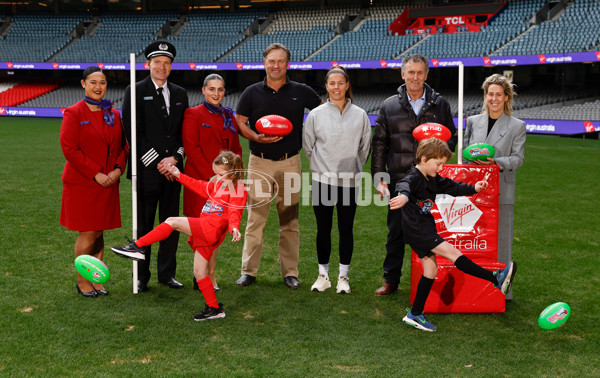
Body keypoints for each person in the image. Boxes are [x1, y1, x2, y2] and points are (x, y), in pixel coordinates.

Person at [389, 138, 517, 332]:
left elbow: (452, 187)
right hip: (418, 231)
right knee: (453, 253)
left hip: (424, 228)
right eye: (438, 163)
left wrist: (473, 189)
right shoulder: (413, 176)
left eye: (443, 164)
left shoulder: (433, 178)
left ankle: (414, 314)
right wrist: (405, 197)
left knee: (430, 271)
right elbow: (403, 186)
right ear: (424, 159)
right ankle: (495, 279)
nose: (440, 168)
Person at [112, 151, 247, 321]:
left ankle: (138, 246)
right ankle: (214, 309)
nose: (217, 177)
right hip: (205, 231)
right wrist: (178, 175)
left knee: (172, 221)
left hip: (210, 229)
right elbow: (198, 185)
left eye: (220, 174)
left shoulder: (238, 188)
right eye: (215, 173)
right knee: (199, 273)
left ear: (232, 172)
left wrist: (234, 228)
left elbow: (235, 211)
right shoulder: (218, 185)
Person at [234, 43, 322, 289]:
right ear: (264, 63)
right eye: (271, 61)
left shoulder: (301, 91)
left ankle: (290, 272)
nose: (275, 65)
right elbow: (240, 122)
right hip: (260, 162)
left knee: (290, 220)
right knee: (255, 219)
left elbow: (323, 113)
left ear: (287, 63)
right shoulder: (251, 92)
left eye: (280, 61)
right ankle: (248, 272)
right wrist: (255, 136)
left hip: (290, 162)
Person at [371, 53, 456, 296]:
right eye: (411, 72)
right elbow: (379, 145)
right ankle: (391, 280)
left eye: (420, 72)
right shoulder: (389, 105)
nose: (415, 77)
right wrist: (379, 178)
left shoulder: (440, 104)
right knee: (395, 233)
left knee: (430, 231)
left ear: (426, 75)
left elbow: (452, 138)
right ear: (403, 74)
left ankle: (435, 278)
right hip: (399, 181)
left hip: (429, 183)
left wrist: (438, 159)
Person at [122, 41, 189, 292]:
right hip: (147, 171)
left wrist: (176, 159)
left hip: (173, 172)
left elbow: (185, 132)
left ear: (171, 66)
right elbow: (132, 131)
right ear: (147, 64)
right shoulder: (135, 90)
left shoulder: (181, 93)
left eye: (167, 62)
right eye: (157, 62)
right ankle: (141, 275)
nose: (162, 66)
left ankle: (167, 273)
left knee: (171, 224)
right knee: (145, 226)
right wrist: (158, 162)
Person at [302, 66, 371, 294]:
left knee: (346, 229)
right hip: (322, 181)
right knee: (323, 229)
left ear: (347, 85)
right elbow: (309, 147)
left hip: (348, 182)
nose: (336, 87)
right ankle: (323, 276)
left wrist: (350, 169)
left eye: (341, 83)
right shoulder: (315, 115)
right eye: (332, 83)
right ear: (326, 86)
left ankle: (343, 277)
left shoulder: (360, 115)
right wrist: (324, 168)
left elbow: (364, 148)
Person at [60, 66, 127, 298]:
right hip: (84, 183)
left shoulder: (113, 114)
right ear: (83, 84)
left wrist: (118, 169)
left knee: (99, 232)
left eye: (102, 83)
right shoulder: (73, 112)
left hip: (109, 182)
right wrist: (96, 173)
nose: (98, 87)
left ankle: (96, 277)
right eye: (93, 82)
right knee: (88, 232)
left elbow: (122, 146)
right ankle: (83, 279)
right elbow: (70, 149)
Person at [464, 74, 526, 300]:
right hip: (474, 190)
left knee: (502, 243)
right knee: (474, 239)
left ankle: (503, 292)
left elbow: (518, 159)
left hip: (502, 191)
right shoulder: (472, 121)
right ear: (485, 95)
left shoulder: (517, 126)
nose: (494, 98)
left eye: (499, 94)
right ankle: (474, 287)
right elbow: (465, 154)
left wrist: (496, 163)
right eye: (490, 94)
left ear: (506, 97)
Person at [183, 73, 242, 292]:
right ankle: (200, 276)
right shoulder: (193, 114)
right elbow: (192, 148)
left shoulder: (228, 115)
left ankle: (210, 275)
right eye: (211, 89)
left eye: (220, 89)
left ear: (224, 92)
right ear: (203, 91)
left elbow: (236, 149)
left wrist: (233, 175)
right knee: (200, 232)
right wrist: (212, 176)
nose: (216, 93)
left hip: (224, 185)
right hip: (202, 183)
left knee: (215, 232)